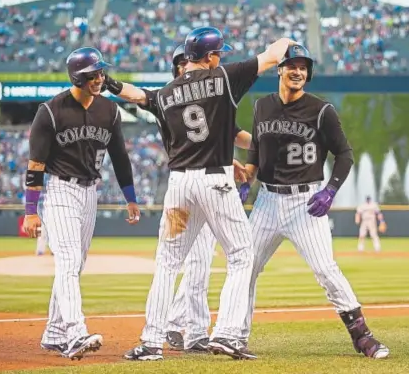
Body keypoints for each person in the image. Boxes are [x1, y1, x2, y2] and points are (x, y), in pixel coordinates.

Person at [105, 26, 296, 361]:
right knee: (241, 255)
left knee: (167, 262)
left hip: (179, 187)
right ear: (209, 57)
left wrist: (109, 83)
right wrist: (288, 41)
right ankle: (226, 334)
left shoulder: (165, 94)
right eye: (219, 52)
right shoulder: (223, 78)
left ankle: (151, 342)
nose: (221, 57)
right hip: (215, 183)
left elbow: (136, 95)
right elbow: (271, 56)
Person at [239, 44, 390, 359]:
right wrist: (248, 179)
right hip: (267, 200)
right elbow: (256, 149)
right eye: (292, 65)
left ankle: (363, 337)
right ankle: (235, 336)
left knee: (325, 269)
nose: (298, 71)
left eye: (303, 67)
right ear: (279, 69)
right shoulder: (261, 106)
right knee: (245, 267)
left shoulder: (322, 110)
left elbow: (345, 154)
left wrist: (331, 190)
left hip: (305, 202)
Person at [22, 47, 141, 360]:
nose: (99, 78)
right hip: (60, 190)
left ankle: (53, 332)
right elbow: (35, 166)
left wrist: (130, 198)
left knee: (77, 264)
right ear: (77, 76)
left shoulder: (109, 111)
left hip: (91, 194)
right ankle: (75, 332)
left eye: (101, 73)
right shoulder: (51, 111)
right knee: (69, 261)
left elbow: (120, 157)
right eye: (93, 74)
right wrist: (30, 212)